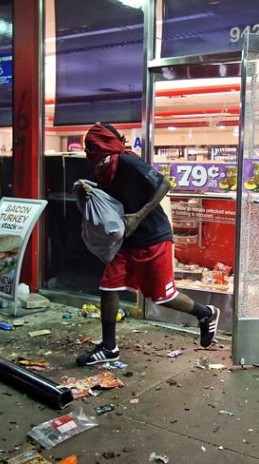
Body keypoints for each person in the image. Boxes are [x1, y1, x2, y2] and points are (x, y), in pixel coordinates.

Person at [75, 122, 220, 366]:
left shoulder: (128, 162)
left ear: (105, 145)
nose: (89, 153)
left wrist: (138, 216)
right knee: (109, 287)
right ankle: (109, 347)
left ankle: (206, 314)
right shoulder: (102, 170)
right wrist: (91, 192)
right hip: (126, 240)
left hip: (153, 237)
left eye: (93, 147)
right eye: (87, 148)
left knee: (162, 297)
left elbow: (164, 184)